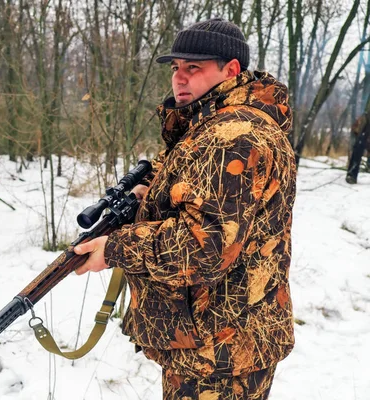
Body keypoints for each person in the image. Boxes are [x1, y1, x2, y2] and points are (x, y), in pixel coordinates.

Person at [73, 18, 296, 400]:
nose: (180, 78)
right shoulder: (212, 125)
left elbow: (205, 246)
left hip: (221, 353)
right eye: (176, 68)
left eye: (194, 68)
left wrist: (114, 249)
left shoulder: (232, 137)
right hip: (220, 341)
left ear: (231, 70)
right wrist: (154, 193)